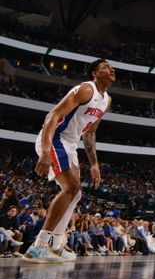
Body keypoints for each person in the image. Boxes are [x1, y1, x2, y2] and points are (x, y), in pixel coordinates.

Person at [24, 59, 114, 263]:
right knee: (71, 188)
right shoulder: (85, 90)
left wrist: (94, 163)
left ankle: (56, 247)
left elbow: (90, 133)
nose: (112, 69)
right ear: (94, 73)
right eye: (106, 67)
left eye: (112, 67)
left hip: (70, 144)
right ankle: (39, 246)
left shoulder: (106, 100)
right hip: (55, 139)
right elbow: (53, 115)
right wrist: (46, 152)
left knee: (76, 194)